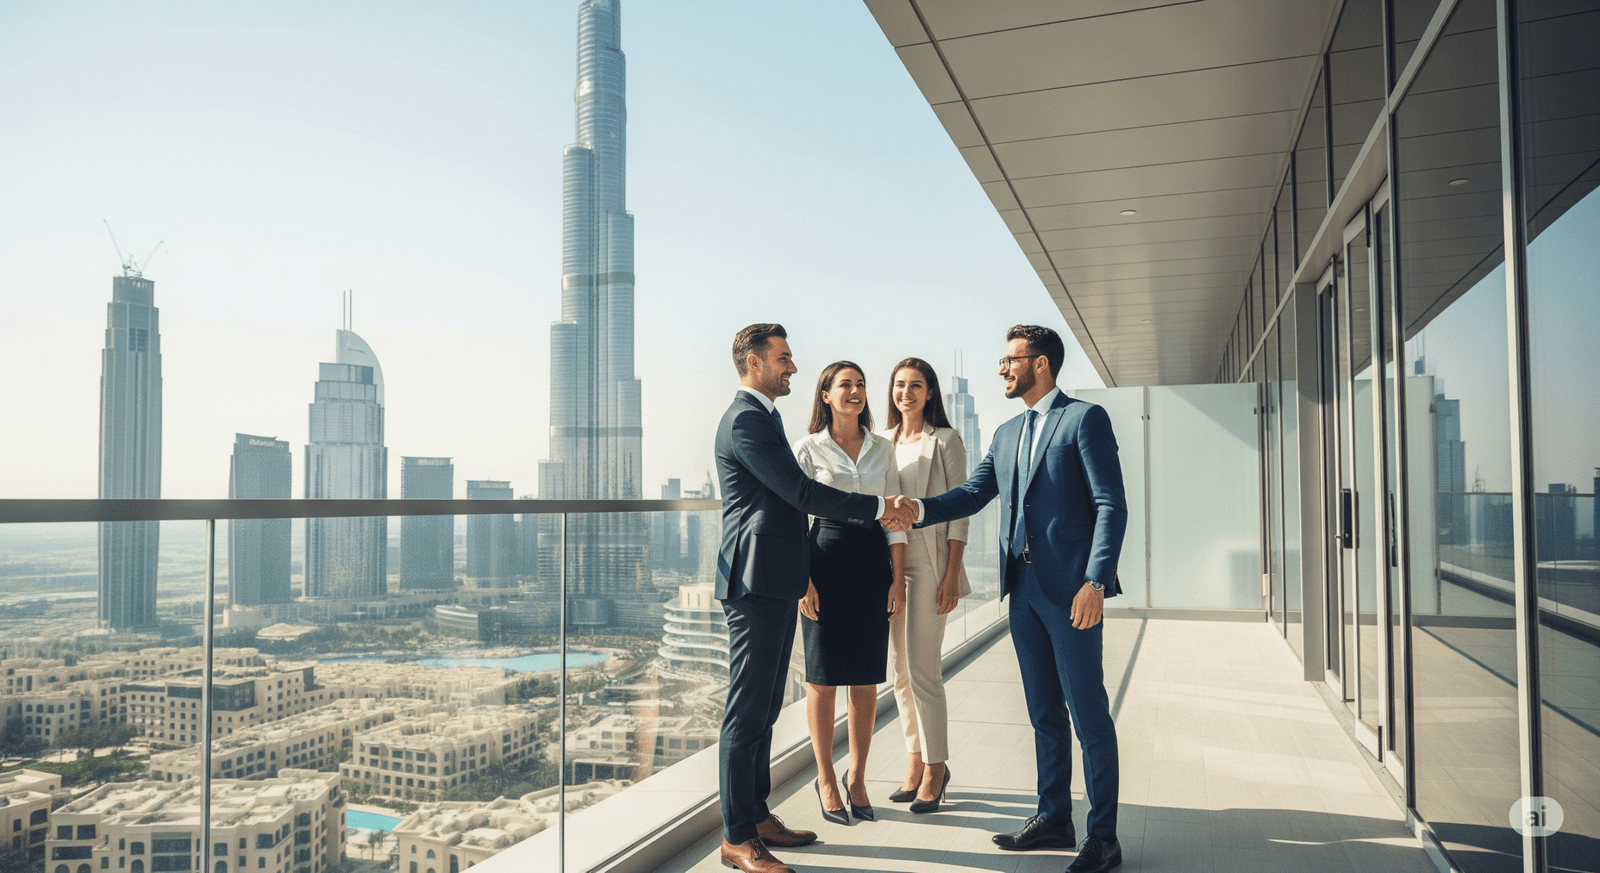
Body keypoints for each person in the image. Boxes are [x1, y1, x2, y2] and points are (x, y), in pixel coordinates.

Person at [901, 324, 1128, 873]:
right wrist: (918, 508)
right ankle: (1054, 817)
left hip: (1072, 592)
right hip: (1021, 591)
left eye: (1010, 360)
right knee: (1043, 712)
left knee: (1088, 714)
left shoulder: (1083, 420)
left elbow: (1110, 505)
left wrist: (1096, 582)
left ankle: (1103, 838)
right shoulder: (1006, 433)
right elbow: (974, 492)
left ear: (1041, 364)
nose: (1002, 368)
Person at [714, 324, 916, 873]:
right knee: (746, 714)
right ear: (754, 364)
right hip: (756, 580)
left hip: (776, 577)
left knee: (762, 713)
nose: (792, 368)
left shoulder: (766, 418)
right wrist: (878, 508)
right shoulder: (746, 421)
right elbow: (800, 493)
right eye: (783, 359)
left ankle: (756, 816)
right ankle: (736, 839)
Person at [794, 361, 906, 826]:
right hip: (822, 562)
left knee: (865, 679)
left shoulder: (884, 449)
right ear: (825, 395)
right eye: (846, 385)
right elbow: (793, 519)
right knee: (821, 680)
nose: (856, 392)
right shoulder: (807, 449)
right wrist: (802, 579)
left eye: (861, 385)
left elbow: (896, 520)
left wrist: (897, 578)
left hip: (871, 564)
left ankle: (856, 777)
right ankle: (825, 778)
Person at [879, 357, 968, 814]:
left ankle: (937, 767)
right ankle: (913, 760)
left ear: (930, 392)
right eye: (900, 385)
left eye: (916, 385)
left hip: (932, 562)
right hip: (891, 563)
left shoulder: (947, 440)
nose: (906, 392)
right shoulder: (883, 441)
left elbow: (959, 509)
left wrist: (952, 573)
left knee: (924, 672)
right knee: (899, 672)